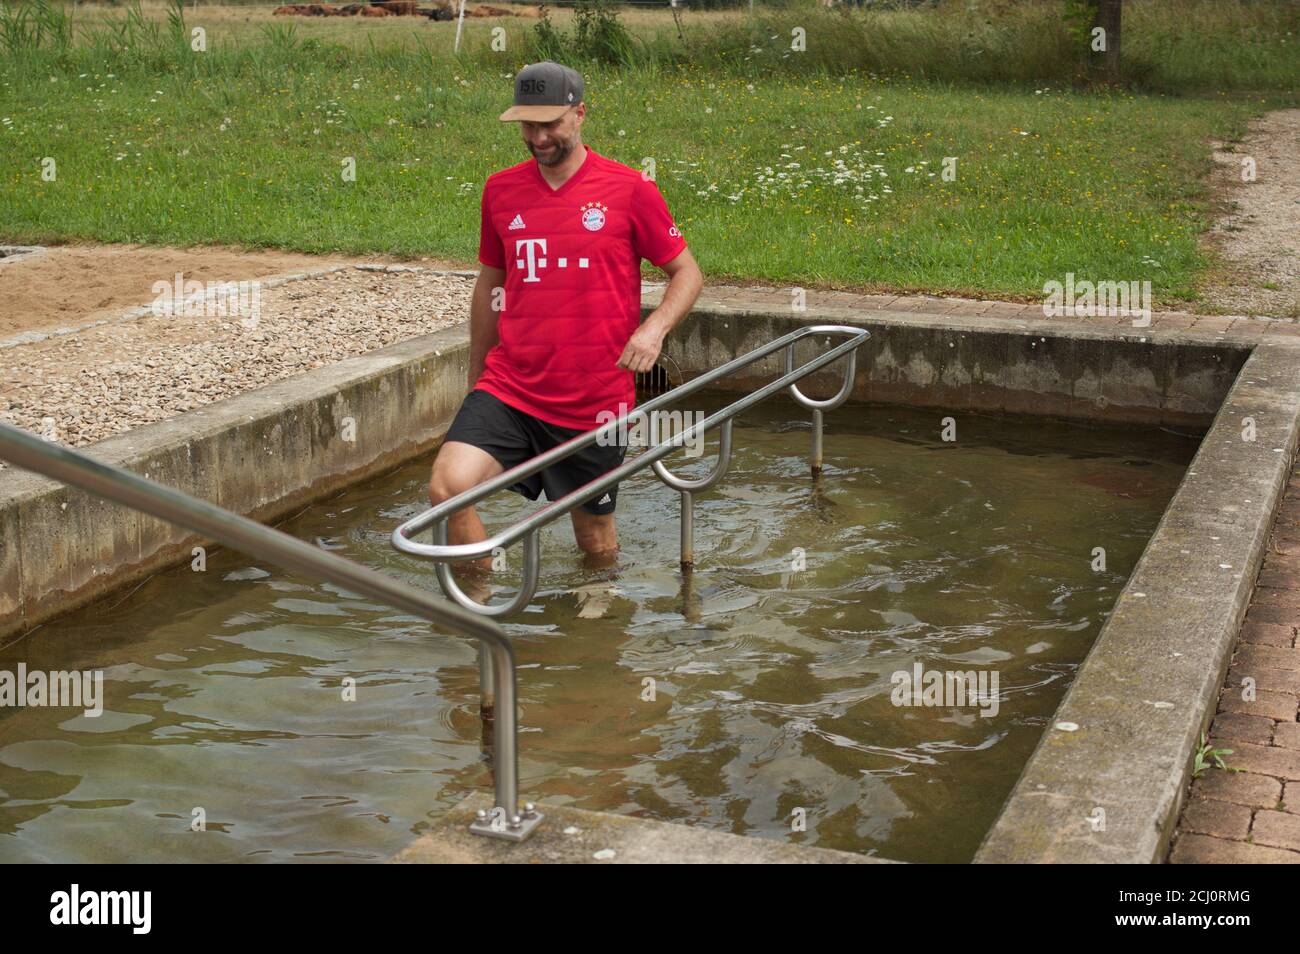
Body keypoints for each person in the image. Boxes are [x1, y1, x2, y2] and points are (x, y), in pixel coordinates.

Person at [429, 60, 704, 576]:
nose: (537, 137)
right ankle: (488, 611)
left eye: (549, 123)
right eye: (527, 126)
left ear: (579, 114)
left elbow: (686, 273)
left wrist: (653, 329)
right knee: (447, 490)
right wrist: (476, 377)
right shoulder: (500, 190)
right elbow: (492, 283)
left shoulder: (630, 190)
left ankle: (595, 630)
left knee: (594, 540)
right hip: (511, 386)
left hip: (593, 401)